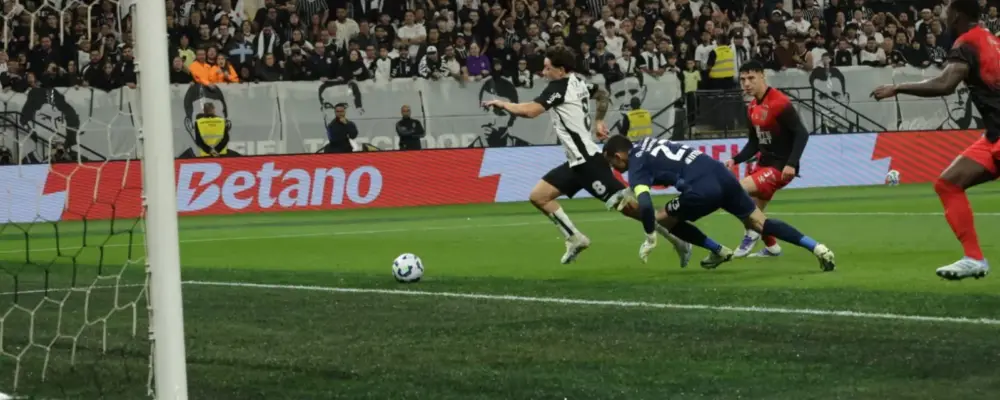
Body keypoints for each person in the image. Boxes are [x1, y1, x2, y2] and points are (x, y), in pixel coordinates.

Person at [481, 46, 691, 265]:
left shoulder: (559, 87)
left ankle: (679, 241)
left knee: (632, 209)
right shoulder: (578, 82)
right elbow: (602, 94)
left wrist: (504, 103)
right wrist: (600, 120)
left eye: (547, 68)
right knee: (539, 196)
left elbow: (531, 111)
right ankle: (575, 238)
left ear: (561, 70)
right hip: (576, 162)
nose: (543, 72)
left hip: (589, 164)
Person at [870, 0, 996, 280]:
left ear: (957, 16)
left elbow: (944, 84)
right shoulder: (990, 39)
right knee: (948, 183)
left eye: (947, 11)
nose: (943, 15)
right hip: (993, 136)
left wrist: (898, 87)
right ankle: (974, 258)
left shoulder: (966, 43)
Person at [603, 135, 835, 270]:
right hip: (721, 174)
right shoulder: (645, 142)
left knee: (661, 218)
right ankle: (818, 248)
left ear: (619, 156)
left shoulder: (635, 164)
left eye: (613, 164)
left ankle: (718, 250)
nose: (615, 168)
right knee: (759, 223)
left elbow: (644, 201)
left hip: (700, 188)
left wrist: (650, 235)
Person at [726, 61, 810, 258]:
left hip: (780, 167)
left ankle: (751, 235)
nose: (746, 83)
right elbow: (754, 143)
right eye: (743, 80)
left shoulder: (779, 102)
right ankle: (772, 247)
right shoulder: (752, 106)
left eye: (751, 78)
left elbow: (802, 134)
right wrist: (735, 160)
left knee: (736, 192)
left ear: (763, 76)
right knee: (753, 212)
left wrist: (791, 164)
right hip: (763, 165)